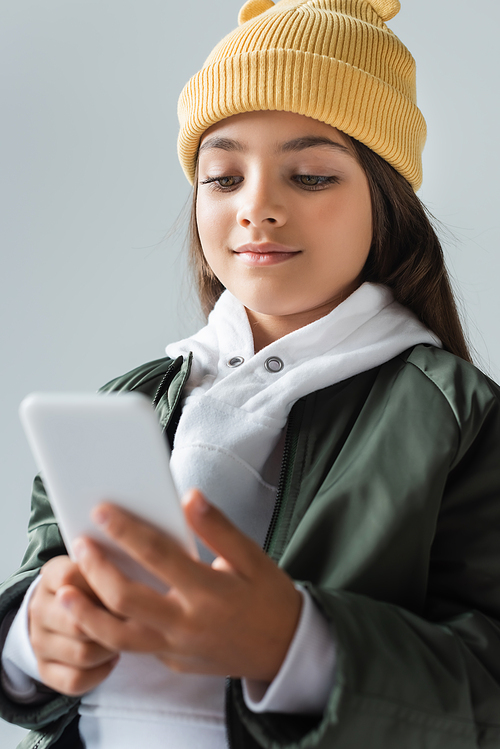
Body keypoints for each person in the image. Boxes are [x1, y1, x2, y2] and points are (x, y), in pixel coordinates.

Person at [1, 0, 500, 747]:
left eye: (309, 175)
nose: (257, 206)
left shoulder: (453, 414)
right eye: (224, 177)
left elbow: (485, 687)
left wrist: (296, 644)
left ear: (386, 202)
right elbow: (42, 583)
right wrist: (33, 640)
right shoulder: (130, 400)